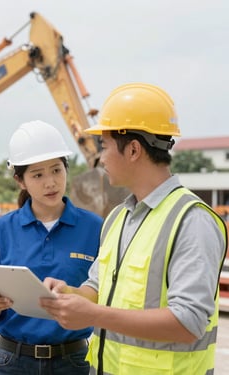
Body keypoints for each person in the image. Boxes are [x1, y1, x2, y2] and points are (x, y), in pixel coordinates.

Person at [40, 83, 228, 375]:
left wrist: (93, 315)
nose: (101, 158)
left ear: (133, 149)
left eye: (104, 146)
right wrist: (68, 294)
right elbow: (99, 289)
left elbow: (188, 323)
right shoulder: (117, 218)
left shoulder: (192, 221)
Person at [0, 120, 103, 374]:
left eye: (56, 170)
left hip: (73, 361)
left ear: (66, 169)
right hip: (12, 361)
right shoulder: (0, 230)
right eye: (38, 175)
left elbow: (106, 296)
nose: (50, 182)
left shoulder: (95, 228)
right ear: (21, 181)